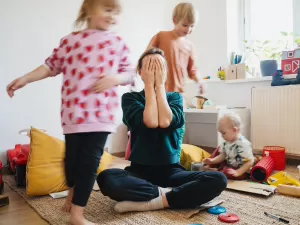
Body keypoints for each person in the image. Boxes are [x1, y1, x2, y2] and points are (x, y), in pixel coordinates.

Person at [6, 0, 134, 224]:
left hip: (101, 117)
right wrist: (25, 79)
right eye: (107, 9)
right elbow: (49, 66)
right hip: (73, 116)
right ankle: (72, 193)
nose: (112, 15)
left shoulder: (118, 42)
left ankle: (77, 214)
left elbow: (129, 73)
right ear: (88, 10)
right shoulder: (70, 41)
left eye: (116, 12)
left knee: (89, 163)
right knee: (71, 163)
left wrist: (116, 78)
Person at [97, 48, 227, 213]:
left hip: (171, 171)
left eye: (159, 67)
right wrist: (150, 85)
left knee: (217, 179)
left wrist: (159, 84)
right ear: (140, 72)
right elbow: (151, 121)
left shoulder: (175, 98)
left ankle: (154, 202)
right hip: (139, 171)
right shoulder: (130, 99)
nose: (155, 72)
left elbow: (165, 121)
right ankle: (169, 195)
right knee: (107, 178)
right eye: (150, 67)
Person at [146, 2, 204, 103]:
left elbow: (192, 69)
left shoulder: (189, 46)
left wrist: (199, 81)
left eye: (192, 26)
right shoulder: (161, 36)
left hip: (178, 94)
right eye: (185, 25)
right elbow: (146, 57)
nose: (188, 29)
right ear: (174, 20)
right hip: (159, 91)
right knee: (160, 118)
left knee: (177, 118)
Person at [203, 113, 255, 180]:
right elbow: (223, 155)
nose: (222, 136)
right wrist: (212, 160)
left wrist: (238, 172)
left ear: (234, 130)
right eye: (221, 133)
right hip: (229, 164)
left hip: (242, 170)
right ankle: (210, 165)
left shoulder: (242, 145)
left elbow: (250, 162)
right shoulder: (226, 142)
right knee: (219, 149)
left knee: (226, 172)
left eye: (223, 133)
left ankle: (216, 171)